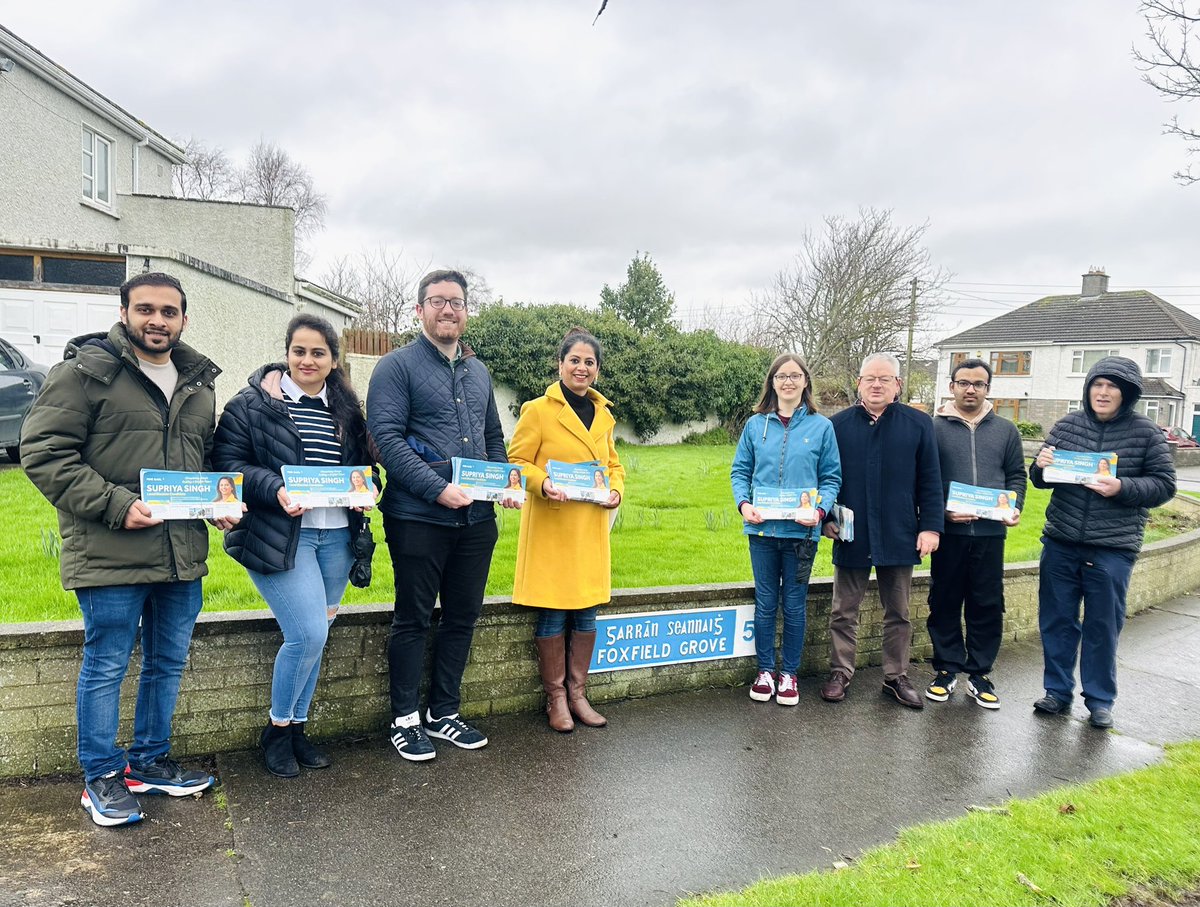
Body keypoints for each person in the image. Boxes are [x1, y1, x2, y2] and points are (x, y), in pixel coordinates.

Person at [21, 272, 234, 827]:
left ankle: (148, 763)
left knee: (167, 663)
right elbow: (43, 454)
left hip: (180, 554)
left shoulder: (198, 382)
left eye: (168, 311)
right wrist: (117, 505)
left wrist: (221, 501)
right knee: (107, 665)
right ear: (123, 312)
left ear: (184, 318)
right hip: (110, 551)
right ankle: (101, 777)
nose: (156, 320)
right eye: (146, 309)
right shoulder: (84, 374)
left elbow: (202, 464)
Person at [212, 314, 377, 777]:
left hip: (337, 539)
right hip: (279, 537)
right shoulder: (251, 404)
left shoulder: (345, 408)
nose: (308, 360)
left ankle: (298, 729)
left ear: (332, 360)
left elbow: (364, 467)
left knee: (316, 639)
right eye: (299, 351)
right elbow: (227, 463)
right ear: (286, 353)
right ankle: (277, 730)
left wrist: (369, 488)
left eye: (318, 352)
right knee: (307, 634)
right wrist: (275, 488)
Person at [367, 269, 519, 761]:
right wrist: (438, 490)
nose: (447, 309)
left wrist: (504, 484)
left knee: (462, 616)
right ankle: (405, 719)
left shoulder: (479, 373)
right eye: (437, 301)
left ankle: (444, 713)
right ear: (419, 310)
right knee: (413, 618)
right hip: (418, 517)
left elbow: (493, 437)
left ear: (467, 311)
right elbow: (386, 440)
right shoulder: (396, 367)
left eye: (456, 302)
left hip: (476, 521)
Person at [1029, 357, 1175, 729]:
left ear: (1127, 393)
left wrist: (1122, 487)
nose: (1103, 392)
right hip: (1061, 542)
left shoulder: (1147, 434)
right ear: (1088, 389)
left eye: (1112, 386)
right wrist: (1041, 463)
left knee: (1102, 626)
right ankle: (1057, 692)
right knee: (1057, 621)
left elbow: (1164, 485)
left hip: (1112, 548)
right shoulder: (1066, 426)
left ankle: (1099, 700)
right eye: (1098, 385)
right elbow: (1040, 479)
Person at [509, 328, 625, 731]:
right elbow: (518, 462)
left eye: (589, 362)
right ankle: (556, 697)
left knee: (588, 614)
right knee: (555, 614)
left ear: (597, 370)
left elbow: (613, 465)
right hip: (554, 526)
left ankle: (578, 693)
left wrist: (615, 490)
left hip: (589, 528)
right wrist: (543, 484)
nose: (581, 367)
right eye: (574, 360)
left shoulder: (604, 414)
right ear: (560, 365)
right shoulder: (537, 409)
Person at [820, 353, 943, 709]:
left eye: (884, 379)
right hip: (851, 534)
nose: (876, 384)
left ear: (897, 385)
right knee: (844, 609)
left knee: (899, 611)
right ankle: (840, 671)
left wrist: (931, 527)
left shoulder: (919, 425)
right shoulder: (837, 425)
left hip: (900, 531)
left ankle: (896, 676)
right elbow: (826, 478)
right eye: (869, 378)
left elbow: (931, 482)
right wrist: (827, 517)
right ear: (858, 383)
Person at [731, 354, 841, 707]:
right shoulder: (755, 426)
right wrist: (744, 505)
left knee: (794, 605)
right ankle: (765, 671)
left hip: (801, 535)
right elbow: (739, 472)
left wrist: (820, 511)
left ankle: (789, 674)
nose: (788, 382)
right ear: (772, 382)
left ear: (805, 382)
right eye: (781, 376)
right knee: (765, 604)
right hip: (761, 532)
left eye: (795, 376)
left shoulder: (822, 427)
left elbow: (831, 477)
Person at [926, 358, 1026, 709]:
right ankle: (946, 669)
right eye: (964, 382)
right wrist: (942, 512)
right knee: (944, 601)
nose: (971, 389)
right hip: (949, 533)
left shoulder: (1006, 430)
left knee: (986, 603)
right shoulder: (933, 428)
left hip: (989, 534)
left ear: (988, 389)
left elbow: (1016, 475)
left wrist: (1015, 508)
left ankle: (980, 673)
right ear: (951, 386)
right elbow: (923, 480)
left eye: (978, 384)